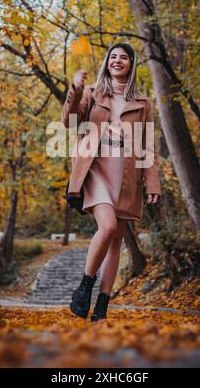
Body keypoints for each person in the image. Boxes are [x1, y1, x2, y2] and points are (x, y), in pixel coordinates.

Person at [61, 42, 161, 322]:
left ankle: (102, 306)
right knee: (107, 228)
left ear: (131, 64)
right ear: (107, 62)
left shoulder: (143, 104)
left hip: (127, 173)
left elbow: (147, 146)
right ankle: (84, 288)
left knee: (116, 241)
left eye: (124, 58)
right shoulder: (92, 94)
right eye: (113, 57)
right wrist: (76, 89)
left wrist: (153, 183)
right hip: (96, 167)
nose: (117, 61)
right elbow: (69, 122)